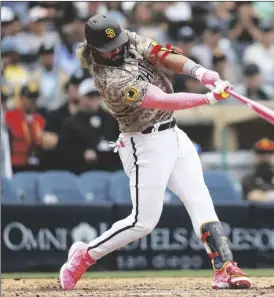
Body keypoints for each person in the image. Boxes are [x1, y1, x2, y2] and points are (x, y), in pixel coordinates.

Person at [59, 14, 251, 290]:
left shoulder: (127, 41)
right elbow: (160, 100)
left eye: (118, 44)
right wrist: (208, 97)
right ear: (94, 50)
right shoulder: (109, 79)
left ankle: (225, 267)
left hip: (174, 135)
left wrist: (201, 73)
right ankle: (84, 256)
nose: (116, 51)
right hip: (143, 143)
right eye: (108, 49)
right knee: (143, 221)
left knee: (200, 199)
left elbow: (162, 55)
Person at [57, 78, 120, 173]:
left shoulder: (110, 119)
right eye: (90, 95)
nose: (94, 99)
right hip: (83, 171)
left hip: (110, 168)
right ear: (81, 97)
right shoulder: (71, 123)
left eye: (97, 95)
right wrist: (82, 153)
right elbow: (64, 150)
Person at [5, 81, 45, 172]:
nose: (32, 101)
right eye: (29, 97)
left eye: (35, 98)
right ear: (21, 98)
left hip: (37, 165)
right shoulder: (10, 116)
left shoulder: (40, 119)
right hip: (16, 164)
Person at [241, 138, 274, 203]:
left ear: (273, 156)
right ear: (255, 156)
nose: (265, 157)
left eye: (268, 154)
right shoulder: (248, 180)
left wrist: (268, 196)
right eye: (261, 154)